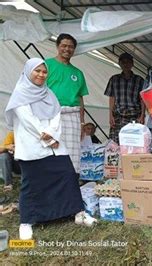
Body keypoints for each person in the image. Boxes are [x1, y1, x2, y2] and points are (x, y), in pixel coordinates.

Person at [5, 58, 96, 240]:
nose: (41, 75)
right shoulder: (20, 93)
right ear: (28, 71)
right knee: (32, 184)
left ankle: (78, 213)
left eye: (44, 72)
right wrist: (48, 138)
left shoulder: (48, 93)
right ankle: (27, 222)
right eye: (37, 71)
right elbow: (28, 120)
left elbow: (56, 115)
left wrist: (53, 135)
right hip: (33, 146)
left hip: (55, 144)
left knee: (68, 175)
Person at [45, 33, 89, 174]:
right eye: (64, 45)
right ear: (57, 46)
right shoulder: (46, 65)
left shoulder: (78, 73)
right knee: (50, 150)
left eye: (70, 47)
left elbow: (80, 99)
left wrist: (82, 123)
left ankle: (70, 183)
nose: (67, 49)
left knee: (72, 152)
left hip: (72, 116)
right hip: (50, 114)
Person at [104, 52, 145, 144]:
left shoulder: (139, 80)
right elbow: (112, 97)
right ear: (120, 64)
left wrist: (142, 115)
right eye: (123, 62)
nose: (126, 64)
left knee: (134, 142)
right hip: (118, 116)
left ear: (132, 64)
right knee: (115, 143)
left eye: (128, 62)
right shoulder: (114, 79)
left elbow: (143, 99)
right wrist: (110, 115)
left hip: (134, 116)